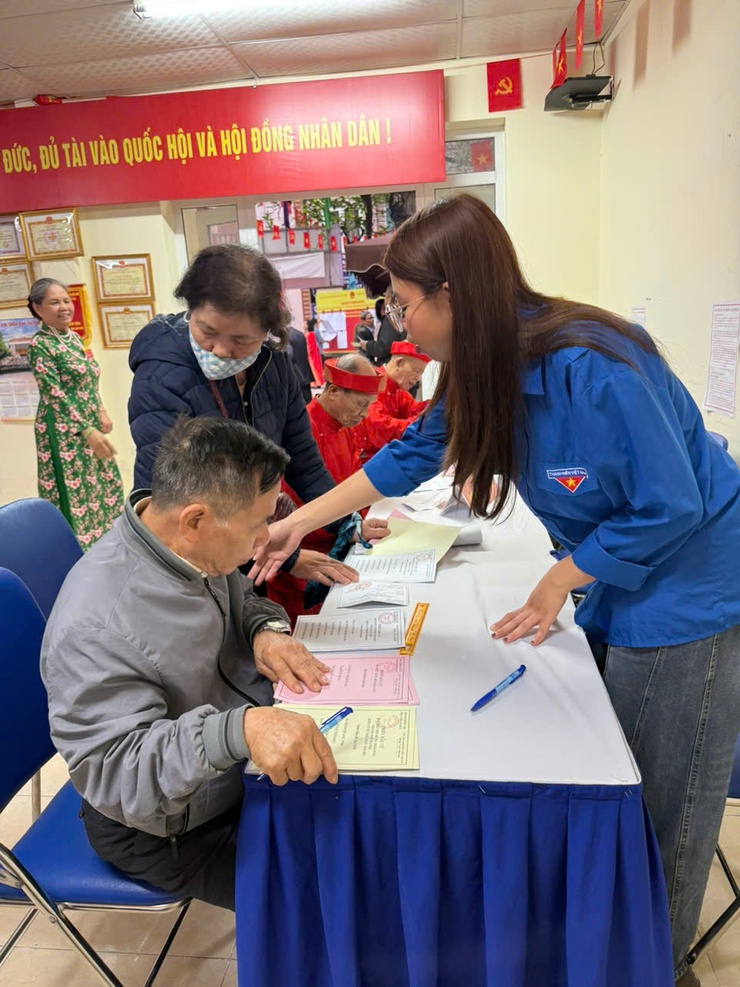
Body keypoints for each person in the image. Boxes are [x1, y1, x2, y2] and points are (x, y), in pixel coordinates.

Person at [251, 194, 740, 987]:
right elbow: (411, 454)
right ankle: (602, 942)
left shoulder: (595, 364)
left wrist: (557, 580)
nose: (401, 329)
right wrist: (295, 521)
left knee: (659, 800)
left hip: (690, 586)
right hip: (616, 573)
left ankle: (660, 961)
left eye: (407, 306)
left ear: (454, 294)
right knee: (614, 757)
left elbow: (672, 503)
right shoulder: (484, 368)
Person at [40, 417, 338, 911]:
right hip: (166, 826)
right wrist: (238, 730)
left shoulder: (190, 550)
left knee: (367, 831)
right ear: (196, 520)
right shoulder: (98, 625)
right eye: (257, 525)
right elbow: (118, 775)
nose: (264, 541)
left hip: (229, 773)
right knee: (327, 896)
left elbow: (243, 602)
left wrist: (265, 631)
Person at [128, 243, 386, 591]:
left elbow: (303, 461)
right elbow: (178, 504)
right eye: (207, 332)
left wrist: (346, 522)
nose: (220, 351)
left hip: (249, 546)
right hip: (191, 559)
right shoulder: (161, 377)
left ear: (267, 332)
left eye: (240, 340)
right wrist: (288, 558)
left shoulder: (273, 361)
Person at [27, 278, 123, 549]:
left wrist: (101, 411)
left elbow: (89, 379)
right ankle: (77, 552)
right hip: (62, 430)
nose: (63, 307)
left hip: (89, 422)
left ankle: (107, 544)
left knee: (103, 483)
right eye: (54, 302)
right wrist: (86, 430)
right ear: (38, 308)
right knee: (74, 492)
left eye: (66, 300)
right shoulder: (40, 346)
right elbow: (53, 393)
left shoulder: (76, 339)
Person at [354, 294, 405, 366]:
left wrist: (368, 346)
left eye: (372, 318)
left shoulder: (390, 319)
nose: (371, 320)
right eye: (369, 318)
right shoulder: (362, 331)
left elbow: (384, 346)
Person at [286, 324, 313, 405]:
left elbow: (290, 355)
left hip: (295, 375)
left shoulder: (286, 336)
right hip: (305, 372)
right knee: (308, 402)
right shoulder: (300, 334)